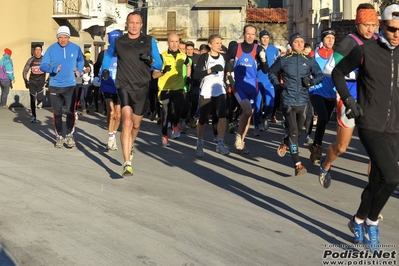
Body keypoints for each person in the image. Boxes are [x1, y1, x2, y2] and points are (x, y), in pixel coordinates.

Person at [331, 3, 399, 252]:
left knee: (379, 179)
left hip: (395, 126)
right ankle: (371, 222)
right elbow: (337, 72)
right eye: (392, 29)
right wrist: (349, 101)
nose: (396, 34)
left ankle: (357, 219)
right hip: (370, 123)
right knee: (392, 178)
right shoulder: (365, 50)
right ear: (383, 26)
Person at [320, 3, 379, 188]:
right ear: (357, 23)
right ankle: (326, 165)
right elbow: (329, 68)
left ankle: (372, 197)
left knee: (375, 152)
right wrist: (360, 74)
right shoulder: (350, 41)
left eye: (373, 24)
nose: (370, 29)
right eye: (366, 25)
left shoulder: (378, 40)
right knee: (342, 147)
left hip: (371, 100)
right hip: (349, 97)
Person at [102, 11, 162, 176]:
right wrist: (105, 70)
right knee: (126, 122)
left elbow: (159, 62)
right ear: (126, 24)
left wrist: (149, 60)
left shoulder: (149, 41)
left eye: (137, 23)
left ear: (141, 25)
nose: (134, 26)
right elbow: (107, 56)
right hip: (124, 85)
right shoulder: (119, 41)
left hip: (142, 86)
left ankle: (131, 144)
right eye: (131, 22)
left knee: (136, 125)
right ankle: (127, 162)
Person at [269, 32, 323, 176]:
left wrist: (311, 82)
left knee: (298, 132)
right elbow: (271, 72)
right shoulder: (284, 60)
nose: (299, 44)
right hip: (288, 101)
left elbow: (320, 75)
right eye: (296, 42)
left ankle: (286, 140)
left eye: (301, 42)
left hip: (303, 101)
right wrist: (277, 85)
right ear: (291, 44)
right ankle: (298, 164)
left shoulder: (310, 60)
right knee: (294, 132)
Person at [40, 26, 84, 148]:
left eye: (65, 37)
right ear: (57, 38)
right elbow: (43, 66)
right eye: (60, 37)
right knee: (57, 113)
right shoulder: (51, 49)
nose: (63, 40)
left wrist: (79, 70)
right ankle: (59, 136)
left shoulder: (75, 48)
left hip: (70, 85)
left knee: (70, 112)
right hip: (55, 86)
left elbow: (81, 60)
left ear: (69, 37)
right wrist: (52, 69)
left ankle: (69, 135)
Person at [228, 25, 269, 154]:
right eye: (248, 33)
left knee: (249, 114)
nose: (250, 36)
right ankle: (239, 137)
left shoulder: (259, 49)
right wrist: (229, 77)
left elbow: (265, 70)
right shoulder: (236, 48)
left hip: (253, 86)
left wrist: (263, 60)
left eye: (253, 34)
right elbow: (226, 62)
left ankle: (241, 140)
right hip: (239, 85)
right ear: (243, 34)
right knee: (246, 110)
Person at [193, 34, 231, 157]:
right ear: (210, 44)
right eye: (217, 43)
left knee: (222, 117)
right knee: (203, 119)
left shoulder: (223, 57)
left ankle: (220, 143)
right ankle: (199, 142)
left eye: (220, 43)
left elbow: (227, 68)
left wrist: (229, 77)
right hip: (206, 91)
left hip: (220, 90)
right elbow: (196, 75)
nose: (219, 45)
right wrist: (210, 70)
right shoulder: (204, 57)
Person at [152, 33, 191, 147]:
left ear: (179, 43)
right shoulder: (162, 56)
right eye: (172, 42)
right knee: (165, 114)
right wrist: (163, 71)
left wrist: (188, 78)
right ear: (168, 43)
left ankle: (175, 125)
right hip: (164, 89)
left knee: (177, 110)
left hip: (178, 88)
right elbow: (154, 75)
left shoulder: (183, 56)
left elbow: (188, 65)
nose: (174, 44)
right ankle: (164, 136)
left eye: (176, 42)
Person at [308, 29, 336, 165]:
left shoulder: (337, 55)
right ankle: (318, 146)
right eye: (328, 38)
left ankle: (315, 144)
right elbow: (305, 68)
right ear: (323, 39)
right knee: (323, 116)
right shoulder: (314, 54)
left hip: (331, 93)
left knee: (324, 121)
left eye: (332, 38)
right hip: (316, 91)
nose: (330, 40)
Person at [254, 30, 279, 136]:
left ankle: (264, 117)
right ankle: (256, 125)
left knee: (270, 103)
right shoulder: (256, 49)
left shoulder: (274, 50)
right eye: (263, 38)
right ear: (260, 39)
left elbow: (278, 62)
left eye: (267, 38)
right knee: (257, 105)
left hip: (269, 80)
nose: (265, 39)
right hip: (258, 80)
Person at [100, 30, 122, 151]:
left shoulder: (123, 55)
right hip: (107, 86)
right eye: (113, 40)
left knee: (118, 116)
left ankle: (113, 136)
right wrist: (98, 77)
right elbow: (98, 65)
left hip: (119, 87)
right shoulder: (104, 54)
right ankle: (110, 137)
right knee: (112, 112)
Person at [23, 44, 47, 123]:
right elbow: (25, 71)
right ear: (34, 51)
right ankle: (33, 116)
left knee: (39, 98)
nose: (38, 51)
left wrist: (49, 80)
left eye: (39, 50)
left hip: (41, 82)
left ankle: (40, 101)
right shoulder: (31, 60)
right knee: (32, 99)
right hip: (32, 82)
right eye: (36, 50)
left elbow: (51, 68)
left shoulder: (44, 59)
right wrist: (26, 80)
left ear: (41, 51)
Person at [185, 41, 200, 129]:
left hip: (195, 84)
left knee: (195, 102)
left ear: (194, 49)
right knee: (186, 103)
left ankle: (191, 117)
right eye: (188, 49)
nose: (189, 51)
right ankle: (185, 118)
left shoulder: (198, 58)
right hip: (184, 83)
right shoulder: (183, 58)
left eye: (191, 49)